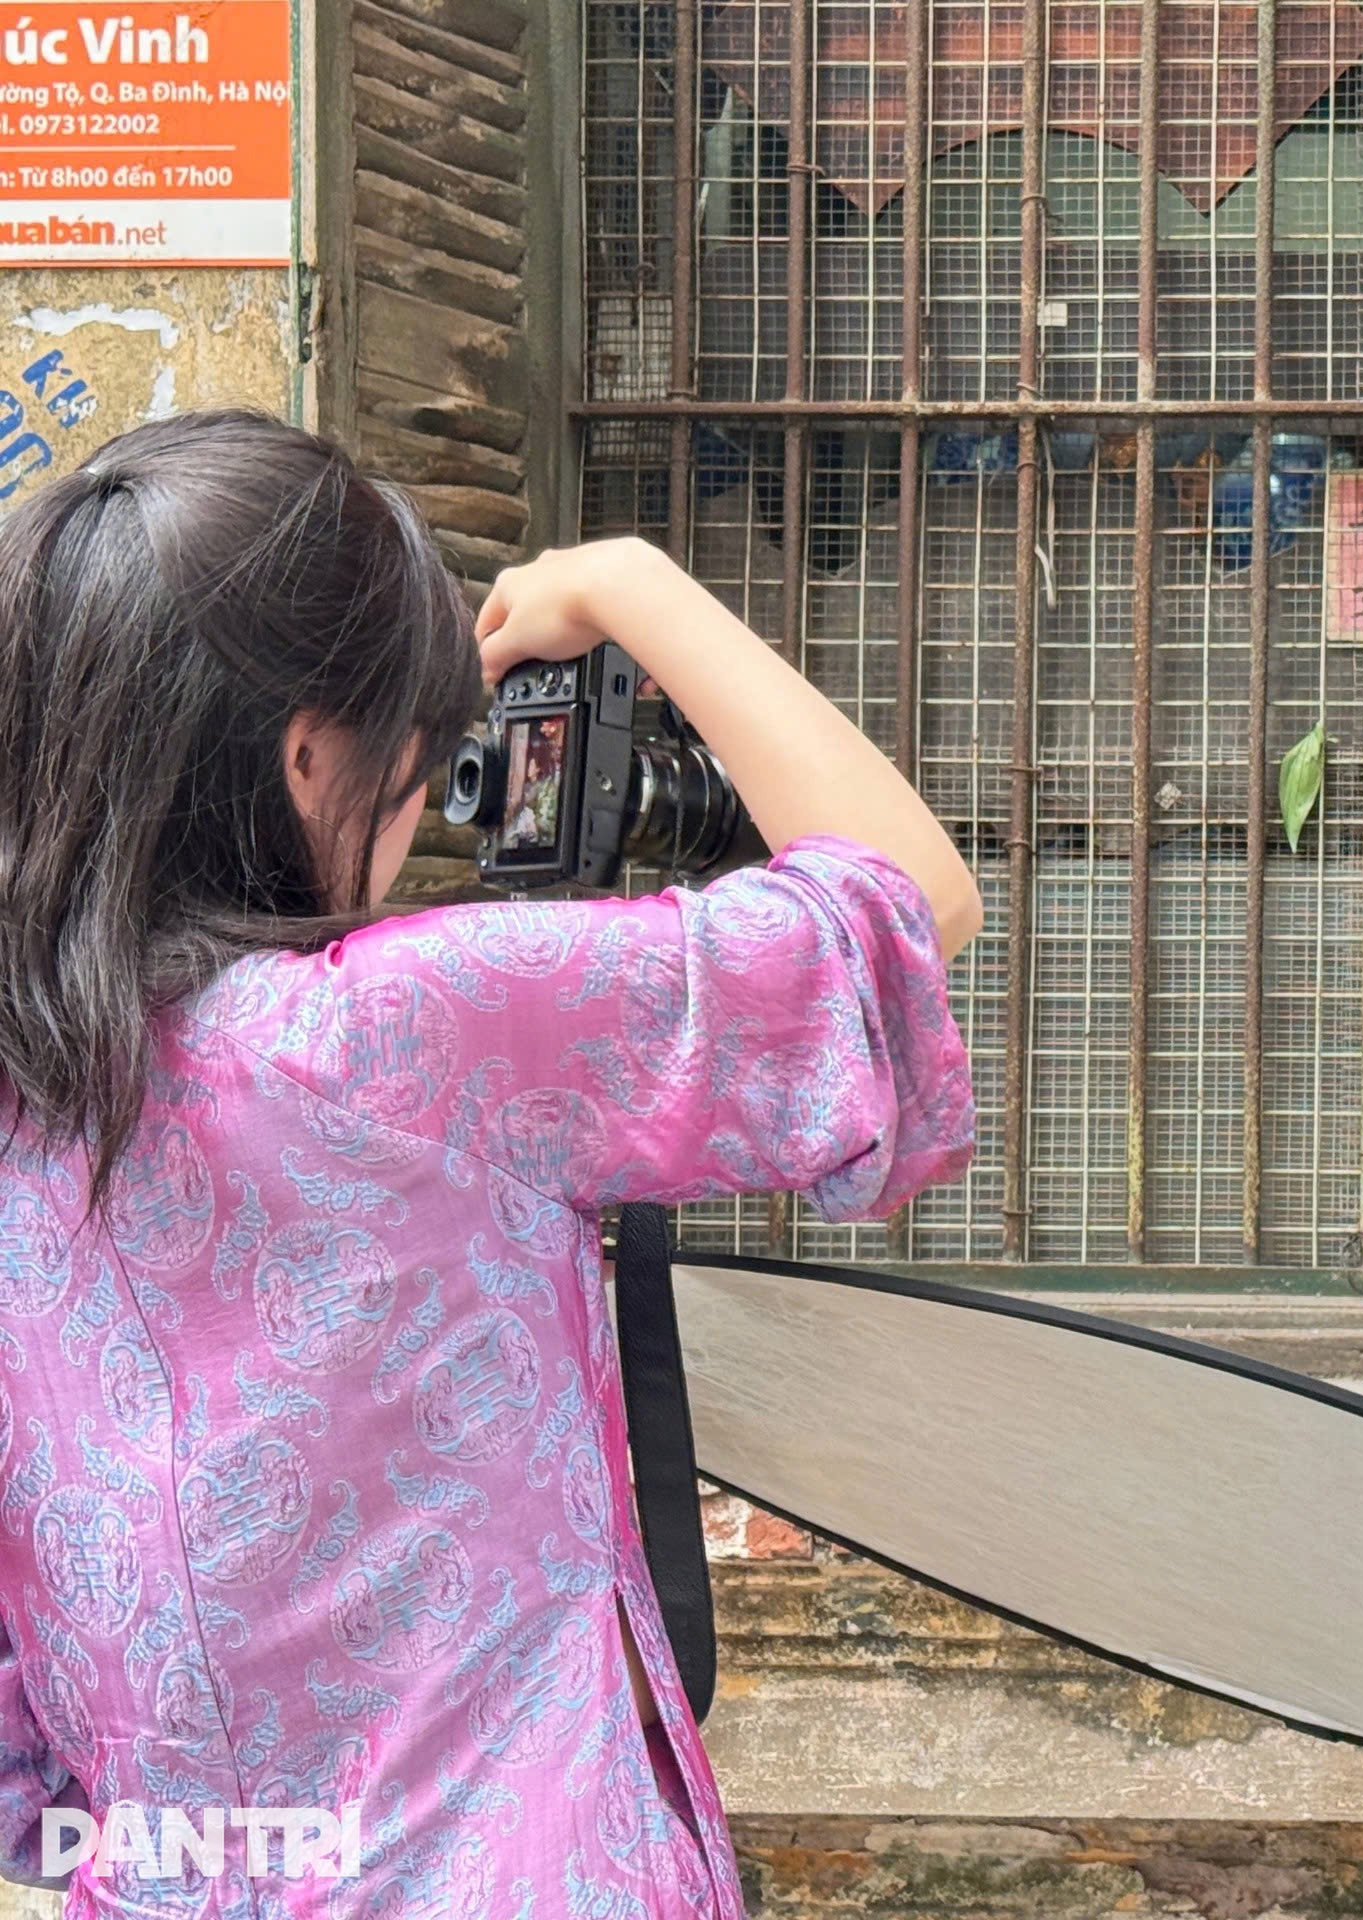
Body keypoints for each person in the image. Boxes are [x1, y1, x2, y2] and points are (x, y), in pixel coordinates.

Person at [0, 412, 981, 1916]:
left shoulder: (25, 1108)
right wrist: (642, 586)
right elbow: (904, 901)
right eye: (419, 738)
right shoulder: (402, 1035)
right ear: (308, 750)